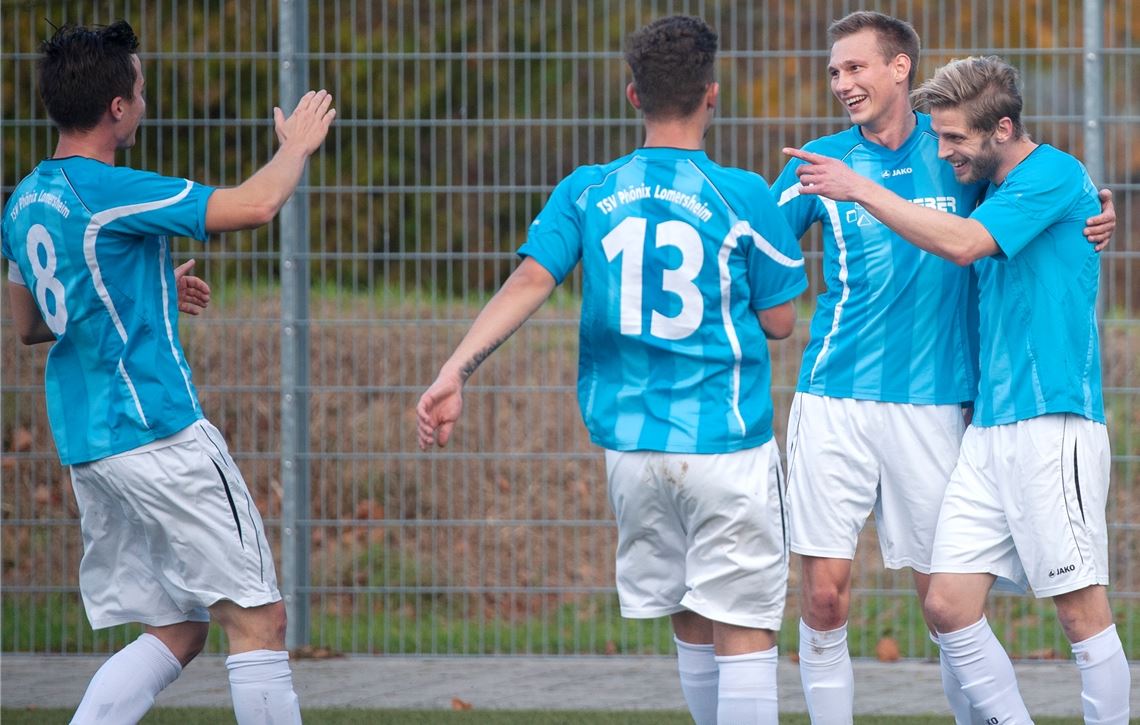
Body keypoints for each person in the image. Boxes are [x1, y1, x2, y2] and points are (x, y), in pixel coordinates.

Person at [417, 15, 806, 723]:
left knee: (688, 611)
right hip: (725, 446)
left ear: (633, 95)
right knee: (743, 623)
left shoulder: (588, 189)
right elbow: (781, 322)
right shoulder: (743, 193)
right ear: (710, 95)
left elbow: (529, 283)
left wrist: (455, 370)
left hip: (631, 454)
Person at [768, 12, 1116, 724]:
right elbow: (756, 247)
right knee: (855, 596)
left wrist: (1092, 207)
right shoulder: (826, 162)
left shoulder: (967, 158)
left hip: (965, 409)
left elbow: (994, 228)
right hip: (846, 399)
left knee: (1004, 608)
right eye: (834, 71)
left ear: (900, 68)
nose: (842, 83)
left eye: (855, 67)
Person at [1, 20, 335, 725]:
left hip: (92, 446)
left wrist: (147, 286)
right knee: (260, 619)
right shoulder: (110, 189)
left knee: (180, 625)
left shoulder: (25, 201)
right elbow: (255, 204)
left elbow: (32, 324)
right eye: (142, 90)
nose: (145, 101)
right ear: (116, 108)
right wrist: (295, 147)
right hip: (159, 433)